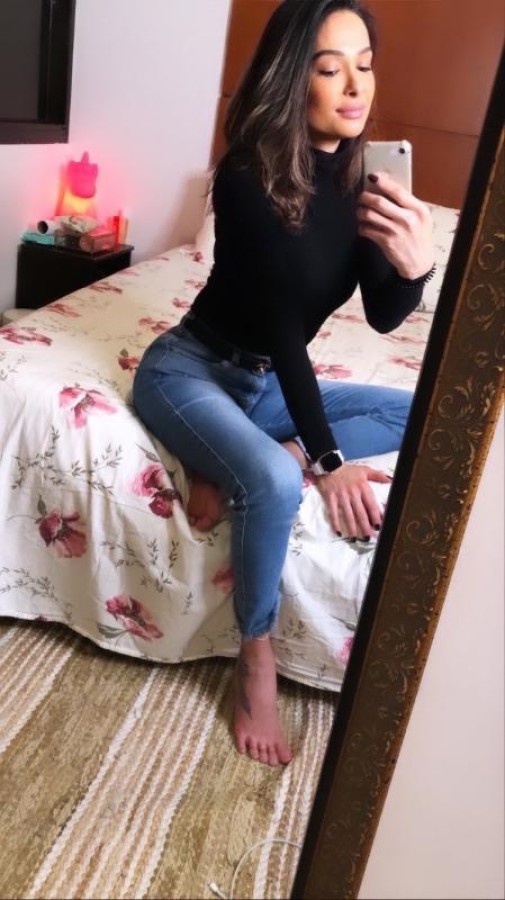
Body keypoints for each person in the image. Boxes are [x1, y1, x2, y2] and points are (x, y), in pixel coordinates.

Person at [133, 0, 435, 767]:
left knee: (422, 411)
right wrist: (327, 465)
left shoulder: (363, 183)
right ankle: (255, 655)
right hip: (191, 369)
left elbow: (382, 317)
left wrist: (415, 266)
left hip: (265, 385)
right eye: (330, 68)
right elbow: (280, 332)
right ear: (292, 78)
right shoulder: (247, 177)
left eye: (364, 65)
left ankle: (243, 454)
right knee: (272, 481)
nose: (354, 87)